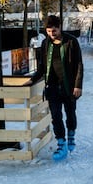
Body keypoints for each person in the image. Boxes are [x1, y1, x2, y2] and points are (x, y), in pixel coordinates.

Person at [30, 15, 83, 161]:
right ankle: (61, 142)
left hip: (69, 86)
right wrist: (31, 80)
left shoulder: (71, 41)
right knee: (55, 116)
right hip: (52, 87)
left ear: (60, 28)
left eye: (54, 30)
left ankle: (71, 135)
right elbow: (41, 67)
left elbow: (79, 64)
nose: (51, 33)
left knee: (70, 113)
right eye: (48, 31)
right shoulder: (46, 43)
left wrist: (78, 85)